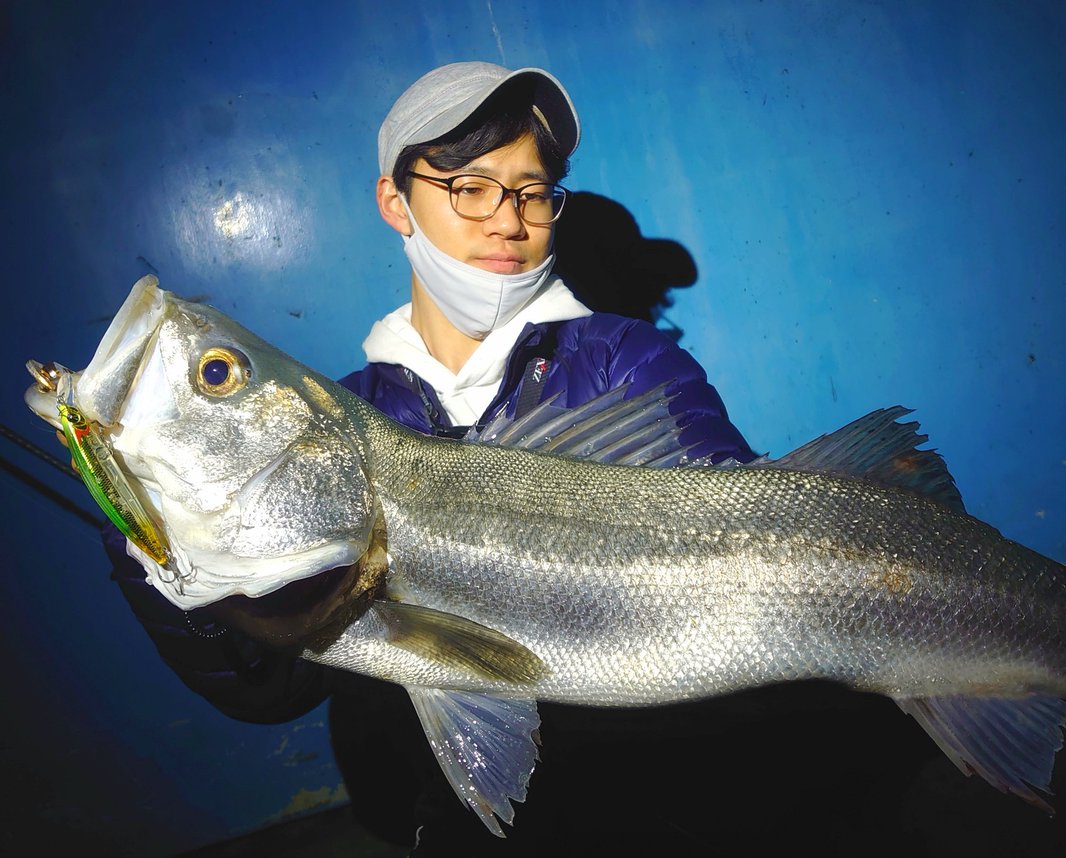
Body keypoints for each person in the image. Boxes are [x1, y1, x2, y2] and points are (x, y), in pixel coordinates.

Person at [104, 61, 755, 846]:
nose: (507, 222)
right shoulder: (342, 418)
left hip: (650, 813)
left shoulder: (629, 363)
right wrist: (148, 533)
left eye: (534, 190)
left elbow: (740, 543)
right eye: (470, 187)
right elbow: (267, 691)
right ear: (396, 201)